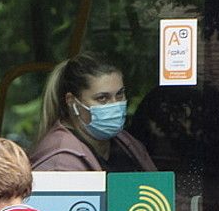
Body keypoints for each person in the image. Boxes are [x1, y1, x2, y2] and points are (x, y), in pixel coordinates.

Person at [29, 52, 157, 172]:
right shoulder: (60, 163)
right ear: (72, 101)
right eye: (102, 98)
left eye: (119, 95)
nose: (115, 105)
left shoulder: (124, 141)